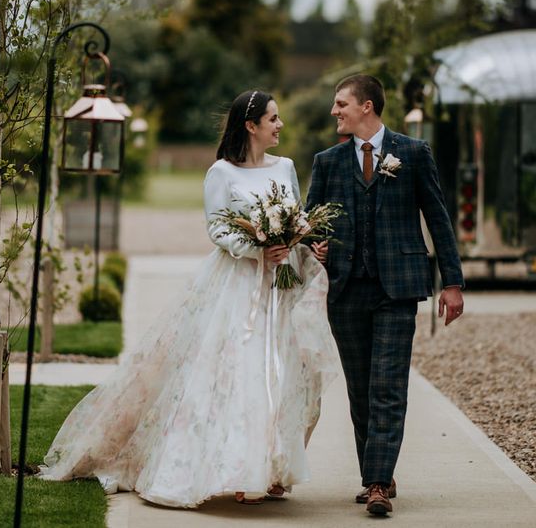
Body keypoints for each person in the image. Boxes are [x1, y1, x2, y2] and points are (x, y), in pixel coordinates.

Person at [38, 90, 338, 508]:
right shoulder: (221, 173)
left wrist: (304, 244)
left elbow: (297, 216)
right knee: (239, 373)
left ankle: (272, 468)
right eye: (273, 118)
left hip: (279, 287)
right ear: (251, 126)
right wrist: (258, 249)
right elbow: (217, 229)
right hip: (237, 285)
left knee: (279, 373)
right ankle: (235, 470)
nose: (279, 125)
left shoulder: (286, 167)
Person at [306, 74, 464, 516]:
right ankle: (380, 469)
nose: (335, 111)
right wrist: (313, 244)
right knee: (361, 389)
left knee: (388, 387)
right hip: (346, 289)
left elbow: (438, 218)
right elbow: (308, 222)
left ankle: (375, 483)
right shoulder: (328, 162)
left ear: (367, 107)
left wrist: (452, 282)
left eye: (342, 104)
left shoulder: (413, 154)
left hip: (398, 288)